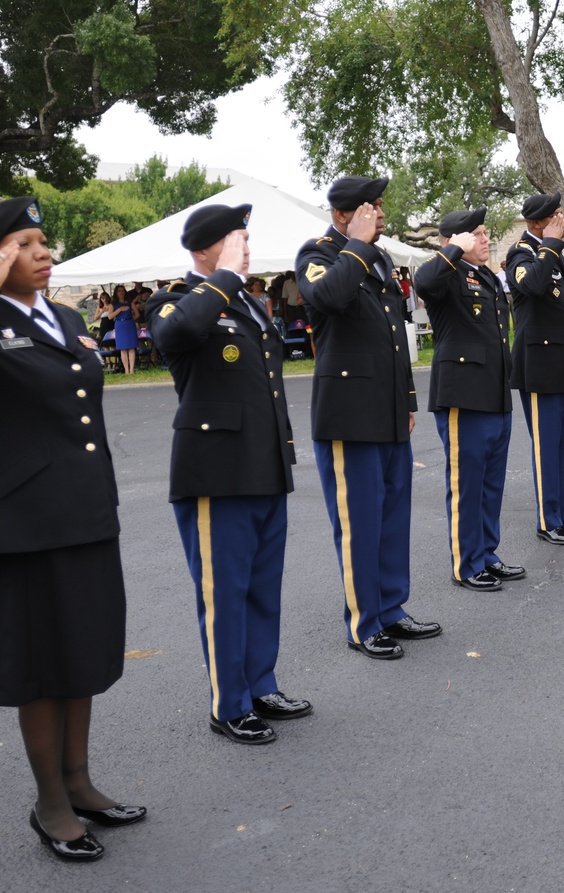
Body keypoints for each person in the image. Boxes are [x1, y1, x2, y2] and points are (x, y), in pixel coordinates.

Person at [0, 197, 144, 863]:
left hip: (85, 513)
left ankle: (80, 782)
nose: (43, 252)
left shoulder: (64, 317)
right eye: (26, 243)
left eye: (43, 241)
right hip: (22, 523)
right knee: (40, 667)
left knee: (81, 654)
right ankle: (50, 803)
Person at [145, 205, 310, 744]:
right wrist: (222, 279)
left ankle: (261, 685)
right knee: (225, 593)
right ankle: (229, 703)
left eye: (246, 236)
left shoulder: (246, 302)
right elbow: (178, 334)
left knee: (263, 589)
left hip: (262, 464)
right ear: (202, 252)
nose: (246, 245)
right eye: (235, 238)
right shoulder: (173, 301)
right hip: (215, 471)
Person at [295, 175, 441, 659]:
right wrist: (355, 245)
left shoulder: (377, 256)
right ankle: (364, 622)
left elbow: (394, 337)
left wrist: (408, 400)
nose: (381, 214)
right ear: (343, 215)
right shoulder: (317, 255)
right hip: (349, 414)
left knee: (393, 516)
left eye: (379, 206)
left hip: (388, 409)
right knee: (360, 521)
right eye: (371, 207)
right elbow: (329, 299)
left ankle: (392, 609)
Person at [415, 207, 525, 591]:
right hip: (464, 395)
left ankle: (487, 554)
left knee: (491, 483)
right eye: (476, 234)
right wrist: (452, 251)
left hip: (494, 392)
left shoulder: (485, 276)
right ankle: (466, 563)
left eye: (485, 233)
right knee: (467, 484)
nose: (485, 239)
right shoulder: (444, 272)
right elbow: (424, 283)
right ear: (456, 239)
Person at [506, 192, 564, 545]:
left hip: (563, 360)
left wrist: (552, 246)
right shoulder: (523, 253)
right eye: (554, 216)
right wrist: (549, 245)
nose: (561, 220)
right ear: (535, 224)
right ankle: (548, 520)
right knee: (547, 446)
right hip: (540, 365)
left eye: (561, 214)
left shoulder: (552, 251)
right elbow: (530, 285)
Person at [109, 284, 138, 374]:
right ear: (116, 293)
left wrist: (131, 319)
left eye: (123, 290)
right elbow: (110, 316)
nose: (121, 292)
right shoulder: (112, 304)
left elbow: (137, 314)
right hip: (119, 324)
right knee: (123, 348)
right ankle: (126, 370)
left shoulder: (130, 302)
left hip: (129, 323)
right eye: (119, 291)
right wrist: (120, 309)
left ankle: (132, 369)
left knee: (131, 347)